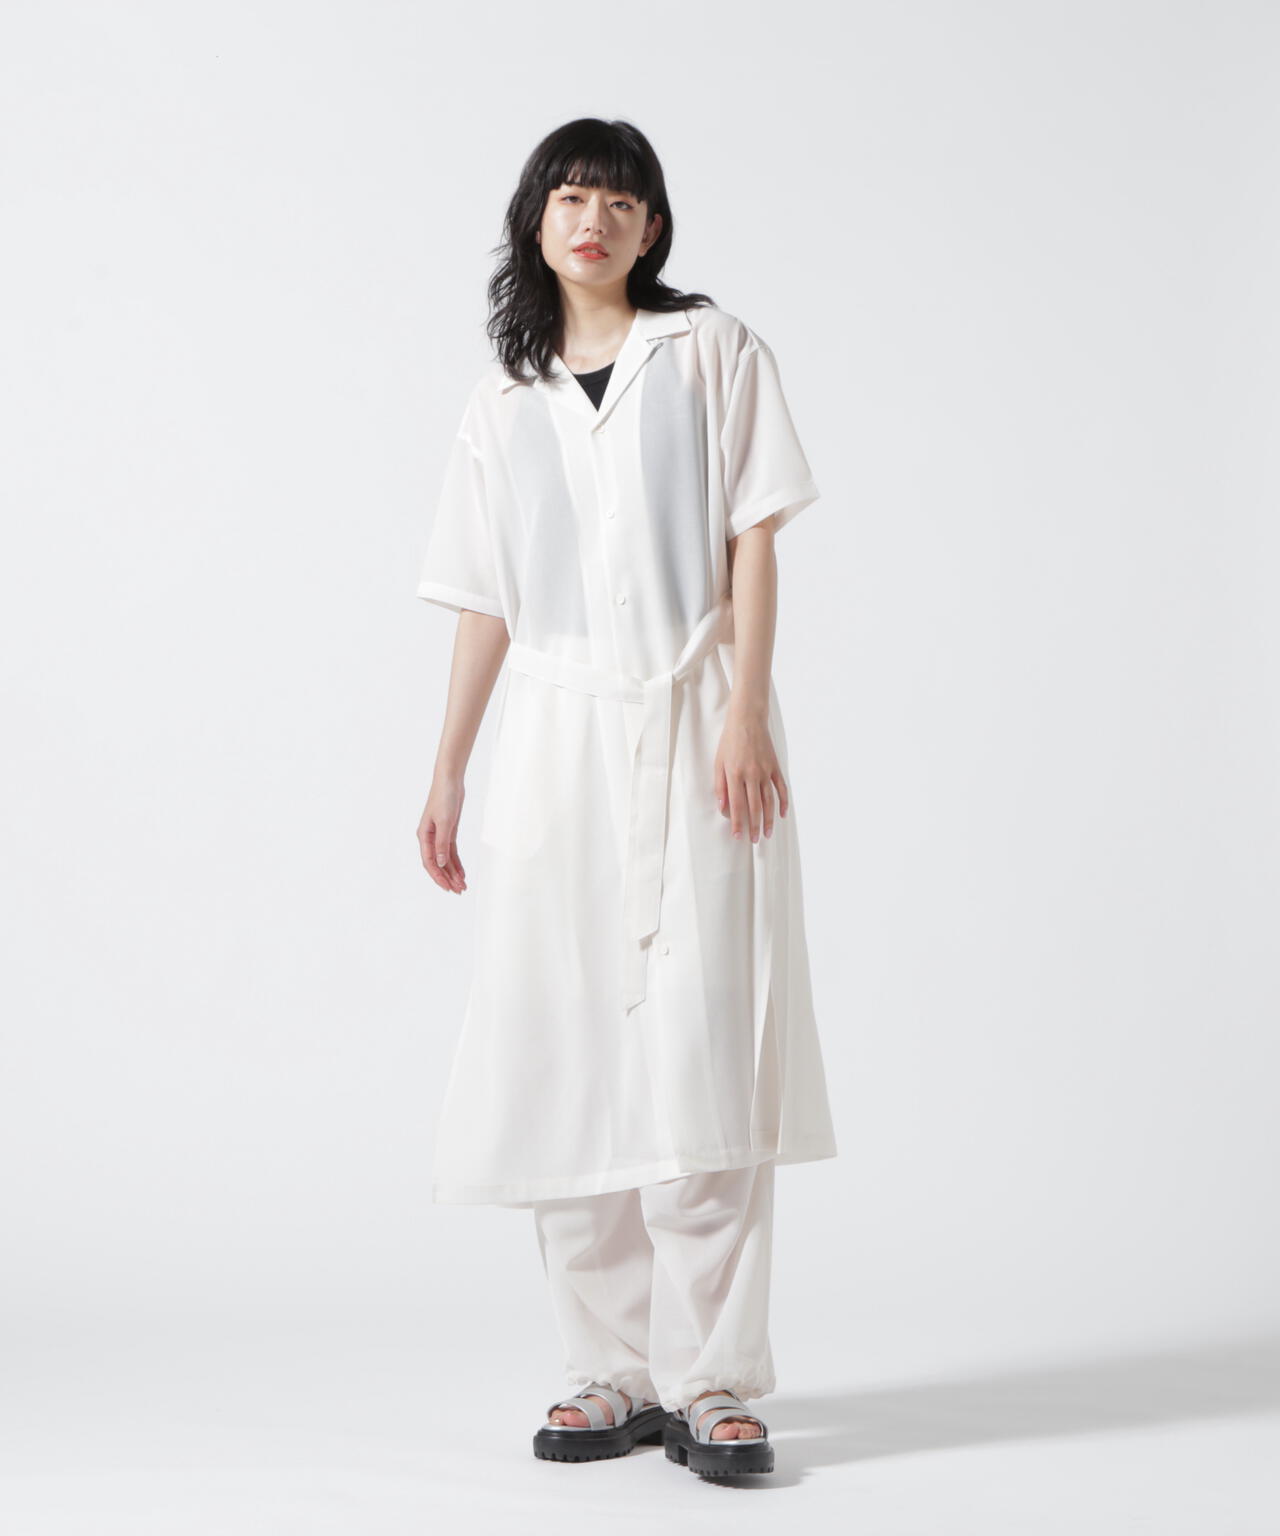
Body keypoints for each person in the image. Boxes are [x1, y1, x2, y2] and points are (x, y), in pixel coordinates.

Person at [414, 117, 838, 1478]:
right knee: (566, 1042)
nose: (590, 220)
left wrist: (746, 709)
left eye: (616, 200)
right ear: (534, 222)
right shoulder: (503, 402)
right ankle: (608, 1370)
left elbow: (754, 536)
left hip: (699, 720)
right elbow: (486, 600)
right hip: (554, 746)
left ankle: (714, 1380)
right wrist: (448, 766)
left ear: (652, 226)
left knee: (705, 1038)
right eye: (568, 197)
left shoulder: (711, 351)